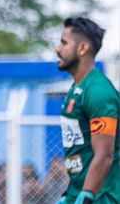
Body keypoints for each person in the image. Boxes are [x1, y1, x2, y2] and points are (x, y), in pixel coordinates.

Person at [55, 17, 119, 204]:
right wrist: (70, 194)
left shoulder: (98, 91)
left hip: (102, 198)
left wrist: (87, 196)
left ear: (83, 48)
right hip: (78, 194)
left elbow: (104, 155)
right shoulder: (76, 89)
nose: (57, 49)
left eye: (64, 43)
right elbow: (80, 153)